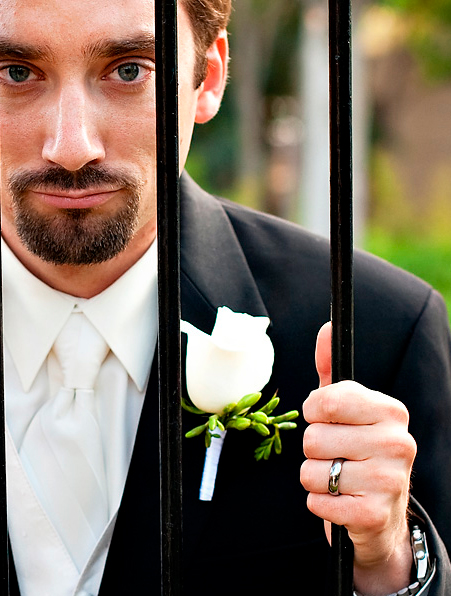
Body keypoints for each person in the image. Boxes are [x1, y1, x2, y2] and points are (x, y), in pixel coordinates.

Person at [1, 1, 450, 595]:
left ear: (207, 77)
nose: (71, 146)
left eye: (130, 69)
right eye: (16, 72)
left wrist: (386, 563)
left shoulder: (380, 329)